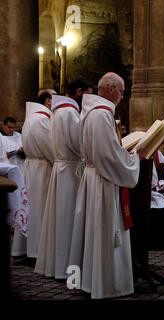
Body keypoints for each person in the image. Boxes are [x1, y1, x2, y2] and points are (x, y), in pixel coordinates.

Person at [69, 72, 146, 299]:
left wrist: (124, 154)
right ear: (110, 88)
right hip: (103, 181)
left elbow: (104, 151)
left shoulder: (90, 112)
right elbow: (110, 157)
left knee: (92, 231)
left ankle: (91, 280)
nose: (122, 97)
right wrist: (134, 159)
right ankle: (106, 284)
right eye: (121, 92)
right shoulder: (102, 116)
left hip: (93, 178)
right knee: (103, 231)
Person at [35, 76, 93, 279]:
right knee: (68, 220)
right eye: (88, 93)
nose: (90, 97)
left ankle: (58, 265)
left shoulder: (58, 111)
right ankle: (67, 266)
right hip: (70, 171)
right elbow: (79, 144)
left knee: (59, 220)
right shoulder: (70, 112)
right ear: (79, 92)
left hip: (62, 167)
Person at [11, 89, 56, 262]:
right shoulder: (42, 120)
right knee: (39, 210)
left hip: (31, 167)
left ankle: (24, 248)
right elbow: (51, 149)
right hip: (43, 169)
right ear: (48, 102)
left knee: (30, 209)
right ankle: (36, 252)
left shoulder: (31, 118)